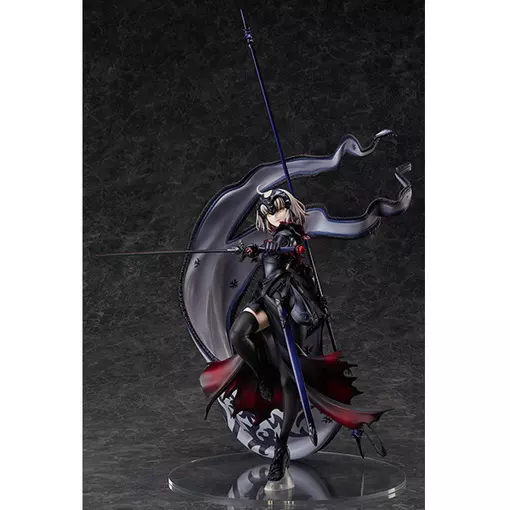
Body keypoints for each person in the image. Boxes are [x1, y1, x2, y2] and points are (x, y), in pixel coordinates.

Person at [200, 187, 389, 484]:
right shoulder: (275, 237)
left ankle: (281, 447)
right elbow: (271, 250)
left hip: (290, 303)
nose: (276, 216)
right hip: (267, 299)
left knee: (290, 378)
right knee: (239, 334)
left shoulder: (292, 234)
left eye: (280, 208)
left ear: (290, 208)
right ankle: (263, 376)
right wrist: (252, 251)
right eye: (269, 213)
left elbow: (287, 245)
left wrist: (268, 249)